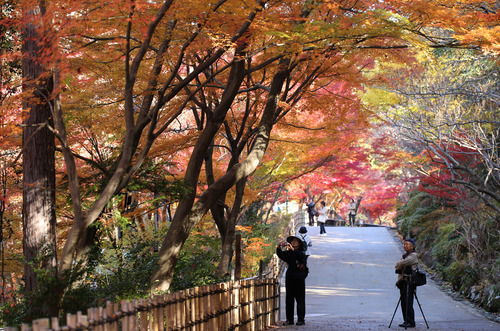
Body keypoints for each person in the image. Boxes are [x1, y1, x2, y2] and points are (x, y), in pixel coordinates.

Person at [276, 236, 309, 326]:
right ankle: (289, 319)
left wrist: (293, 250)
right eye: (292, 241)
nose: (293, 242)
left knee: (300, 299)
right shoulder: (289, 253)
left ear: (299, 243)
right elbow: (281, 255)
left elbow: (301, 257)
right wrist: (278, 247)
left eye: (295, 241)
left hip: (299, 278)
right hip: (290, 277)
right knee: (289, 299)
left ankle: (301, 319)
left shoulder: (301, 252)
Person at [395, 238, 419, 328]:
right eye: (404, 244)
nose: (405, 246)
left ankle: (410, 321)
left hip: (410, 281)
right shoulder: (405, 255)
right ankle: (406, 320)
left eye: (407, 244)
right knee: (404, 301)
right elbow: (400, 264)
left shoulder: (413, 255)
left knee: (408, 302)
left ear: (412, 246)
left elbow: (403, 263)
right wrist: (400, 263)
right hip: (403, 282)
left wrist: (399, 263)